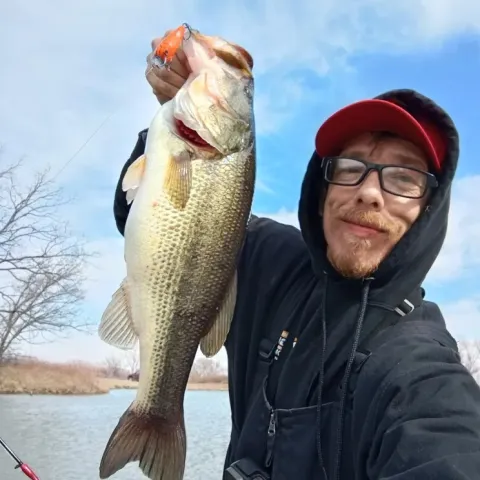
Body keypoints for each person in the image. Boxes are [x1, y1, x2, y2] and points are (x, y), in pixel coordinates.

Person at [113, 35, 480, 480]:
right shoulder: (274, 261)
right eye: (350, 168)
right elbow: (153, 226)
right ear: (322, 192)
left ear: (429, 209)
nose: (369, 192)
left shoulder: (421, 372)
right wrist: (170, 119)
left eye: (403, 178)